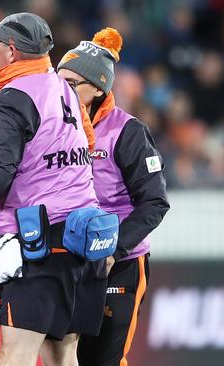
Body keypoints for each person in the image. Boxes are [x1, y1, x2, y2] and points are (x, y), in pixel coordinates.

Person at [0, 12, 107, 365]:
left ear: (13, 50)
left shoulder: (9, 99)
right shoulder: (63, 87)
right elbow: (84, 142)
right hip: (85, 234)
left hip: (42, 243)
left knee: (15, 353)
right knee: (62, 352)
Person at [57, 28, 170, 366]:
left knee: (104, 360)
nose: (61, 90)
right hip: (64, 261)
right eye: (57, 81)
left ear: (98, 87)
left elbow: (154, 201)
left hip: (118, 265)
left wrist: (114, 249)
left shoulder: (127, 131)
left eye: (72, 83)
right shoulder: (50, 126)